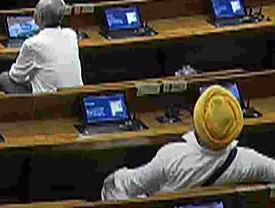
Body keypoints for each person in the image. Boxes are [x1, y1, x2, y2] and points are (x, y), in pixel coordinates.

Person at [101, 85, 275, 199]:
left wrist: (116, 177)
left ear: (197, 119)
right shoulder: (247, 161)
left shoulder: (171, 156)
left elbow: (134, 185)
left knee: (112, 186)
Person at [0, 0, 82, 94]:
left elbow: (16, 76)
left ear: (39, 16)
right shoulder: (71, 35)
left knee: (4, 78)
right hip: (76, 95)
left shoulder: (32, 44)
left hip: (47, 100)